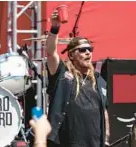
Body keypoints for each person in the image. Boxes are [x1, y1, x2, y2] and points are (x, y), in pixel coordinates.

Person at [45, 10, 110, 147]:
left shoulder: (99, 81)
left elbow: (104, 111)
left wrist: (106, 139)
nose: (88, 52)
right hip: (66, 141)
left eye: (89, 49)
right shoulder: (63, 75)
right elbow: (51, 53)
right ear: (71, 55)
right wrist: (55, 27)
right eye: (82, 50)